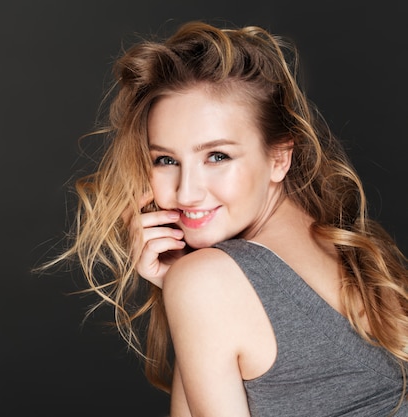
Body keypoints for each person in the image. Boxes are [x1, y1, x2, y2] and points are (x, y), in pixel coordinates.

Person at [36, 20, 408, 416]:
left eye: (217, 156)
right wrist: (179, 288)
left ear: (279, 157)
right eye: (166, 160)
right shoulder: (347, 251)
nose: (186, 192)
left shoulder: (208, 282)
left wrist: (185, 285)